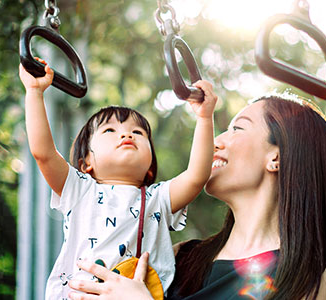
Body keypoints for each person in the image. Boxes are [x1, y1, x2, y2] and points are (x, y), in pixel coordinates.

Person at [67, 94, 326, 299]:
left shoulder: (307, 275)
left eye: (237, 128)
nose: (216, 142)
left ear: (276, 157)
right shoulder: (180, 258)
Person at [20, 57, 219, 299]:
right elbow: (43, 153)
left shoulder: (157, 199)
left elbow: (197, 176)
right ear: (86, 164)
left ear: (149, 168)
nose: (126, 134)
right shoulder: (79, 190)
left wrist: (204, 118)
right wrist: (34, 92)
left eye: (137, 132)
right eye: (110, 130)